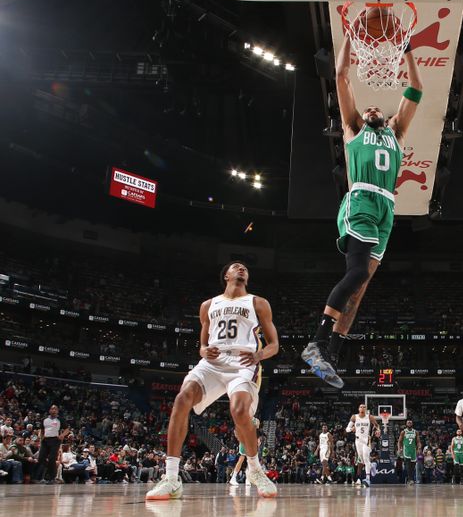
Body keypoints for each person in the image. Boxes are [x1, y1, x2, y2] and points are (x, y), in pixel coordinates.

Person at [301, 30, 424, 389]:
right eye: (365, 107)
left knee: (361, 287)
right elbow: (340, 77)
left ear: (384, 118)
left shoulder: (396, 133)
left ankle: (331, 354)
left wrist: (408, 49)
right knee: (355, 274)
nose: (370, 108)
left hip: (387, 210)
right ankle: (316, 342)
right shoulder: (354, 129)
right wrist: (350, 39)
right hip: (362, 201)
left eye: (375, 108)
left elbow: (415, 88)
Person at [146, 262, 279, 500]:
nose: (241, 269)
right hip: (213, 364)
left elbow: (274, 345)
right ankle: (171, 477)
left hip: (243, 363)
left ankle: (255, 470)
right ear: (226, 275)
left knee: (239, 411)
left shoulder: (258, 303)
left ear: (247, 278)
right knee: (181, 399)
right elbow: (203, 344)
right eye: (236, 267)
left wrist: (259, 354)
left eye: (245, 268)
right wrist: (203, 350)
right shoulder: (208, 305)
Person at [347, 404, 381, 488]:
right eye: (361, 407)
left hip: (367, 439)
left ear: (366, 409)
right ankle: (372, 465)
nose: (362, 408)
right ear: (358, 409)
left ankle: (368, 479)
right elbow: (347, 429)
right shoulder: (354, 417)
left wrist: (378, 431)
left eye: (364, 407)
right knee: (361, 460)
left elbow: (377, 425)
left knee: (365, 458)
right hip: (358, 440)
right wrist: (351, 429)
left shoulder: (369, 417)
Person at [230, 418, 259, 485]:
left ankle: (248, 479)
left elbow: (256, 431)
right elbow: (236, 430)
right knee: (241, 459)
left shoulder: (256, 420)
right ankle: (233, 478)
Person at [397, 420, 421, 485]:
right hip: (406, 449)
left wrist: (419, 448)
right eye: (408, 422)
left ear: (412, 424)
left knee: (413, 466)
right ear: (406, 424)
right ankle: (410, 479)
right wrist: (399, 449)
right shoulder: (403, 432)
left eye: (410, 422)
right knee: (408, 464)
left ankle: (410, 479)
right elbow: (399, 441)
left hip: (413, 450)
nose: (409, 423)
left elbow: (418, 441)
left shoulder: (415, 432)